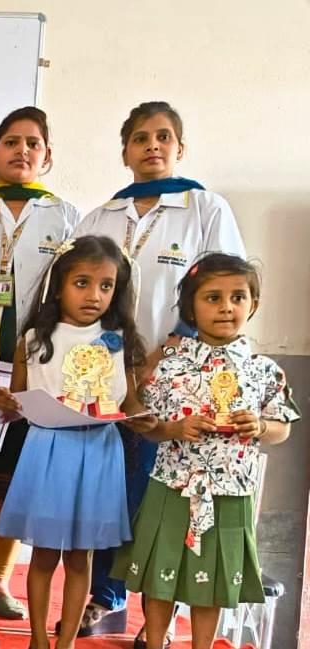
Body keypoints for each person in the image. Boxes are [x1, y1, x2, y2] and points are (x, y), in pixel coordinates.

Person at [72, 101, 248, 642]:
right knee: (107, 492)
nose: (152, 145)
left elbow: (223, 286)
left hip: (176, 375)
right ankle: (104, 596)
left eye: (164, 136)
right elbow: (73, 290)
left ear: (180, 148)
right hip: (104, 376)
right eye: (141, 137)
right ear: (125, 151)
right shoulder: (101, 216)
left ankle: (158, 620)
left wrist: (165, 354)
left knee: (159, 498)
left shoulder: (204, 207)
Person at [114, 253, 299, 649]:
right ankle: (154, 641)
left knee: (210, 584)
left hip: (230, 494)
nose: (226, 307)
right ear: (191, 309)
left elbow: (282, 427)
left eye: (238, 297)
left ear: (253, 305)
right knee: (160, 578)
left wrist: (260, 426)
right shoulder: (169, 367)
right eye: (213, 298)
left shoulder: (264, 371)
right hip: (171, 488)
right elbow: (147, 427)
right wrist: (173, 428)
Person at [0, 235, 148, 649]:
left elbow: (130, 401)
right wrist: (4, 401)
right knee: (44, 553)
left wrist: (148, 417)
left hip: (99, 453)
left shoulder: (120, 341)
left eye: (106, 286)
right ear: (58, 285)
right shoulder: (34, 340)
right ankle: (38, 640)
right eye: (82, 283)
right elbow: (17, 401)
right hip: (48, 452)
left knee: (82, 557)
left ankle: (67, 643)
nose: (94, 295)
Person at [0, 107, 81, 621]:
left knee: (14, 478)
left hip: (32, 366)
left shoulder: (65, 216)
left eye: (32, 143)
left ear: (47, 155)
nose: (22, 151)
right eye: (11, 142)